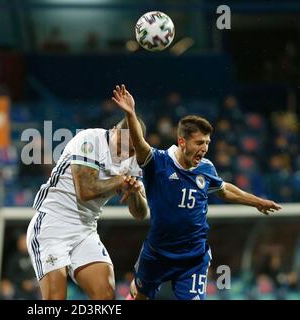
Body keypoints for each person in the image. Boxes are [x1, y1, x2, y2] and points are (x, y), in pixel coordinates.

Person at [111, 84, 282, 300]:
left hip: (193, 258)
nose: (205, 148)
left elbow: (224, 190)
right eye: (200, 142)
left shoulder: (206, 168)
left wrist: (258, 201)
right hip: (157, 253)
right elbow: (140, 144)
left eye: (208, 143)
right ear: (182, 142)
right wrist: (130, 113)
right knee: (139, 297)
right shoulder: (159, 162)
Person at [26, 118, 149, 300]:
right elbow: (85, 191)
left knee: (105, 295)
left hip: (85, 230)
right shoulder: (90, 140)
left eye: (132, 150)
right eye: (122, 146)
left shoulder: (135, 160)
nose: (125, 154)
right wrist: (120, 180)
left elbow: (140, 214)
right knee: (55, 298)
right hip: (52, 223)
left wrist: (134, 192)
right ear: (114, 130)